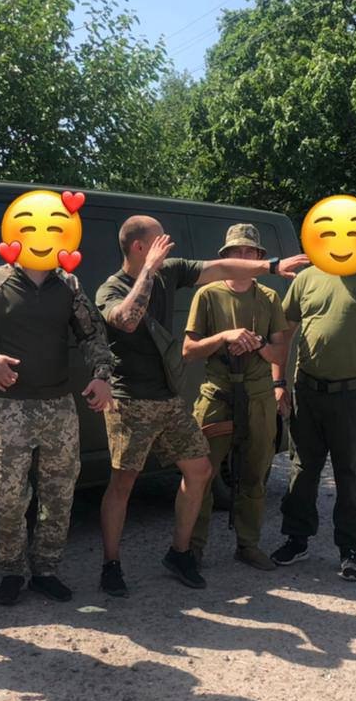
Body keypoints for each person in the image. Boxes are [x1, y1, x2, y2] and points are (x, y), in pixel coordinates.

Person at [95, 216, 309, 596]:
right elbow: (127, 320)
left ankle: (180, 553)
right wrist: (148, 272)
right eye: (160, 242)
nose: (168, 247)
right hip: (131, 402)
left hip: (169, 398)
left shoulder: (170, 272)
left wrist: (272, 267)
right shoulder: (111, 289)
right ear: (140, 248)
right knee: (122, 484)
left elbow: (220, 268)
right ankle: (111, 564)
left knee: (200, 470)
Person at [0, 256, 115, 607]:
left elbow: (92, 333)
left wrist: (101, 375)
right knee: (7, 496)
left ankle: (46, 569)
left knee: (59, 494)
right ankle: (12, 570)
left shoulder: (68, 284)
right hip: (9, 407)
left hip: (58, 406)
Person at [269, 258, 356, 581]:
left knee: (351, 473)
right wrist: (279, 382)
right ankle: (296, 539)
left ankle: (351, 550)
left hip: (352, 394)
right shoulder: (307, 278)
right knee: (302, 469)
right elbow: (283, 333)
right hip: (308, 391)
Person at [183, 223, 290, 571]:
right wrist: (224, 337)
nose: (243, 257)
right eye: (236, 252)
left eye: (249, 252)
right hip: (217, 395)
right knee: (201, 475)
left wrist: (257, 345)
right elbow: (188, 350)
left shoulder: (269, 298)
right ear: (225, 256)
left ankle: (248, 544)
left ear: (258, 257)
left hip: (258, 397)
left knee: (254, 474)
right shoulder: (208, 295)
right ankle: (191, 548)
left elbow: (280, 352)